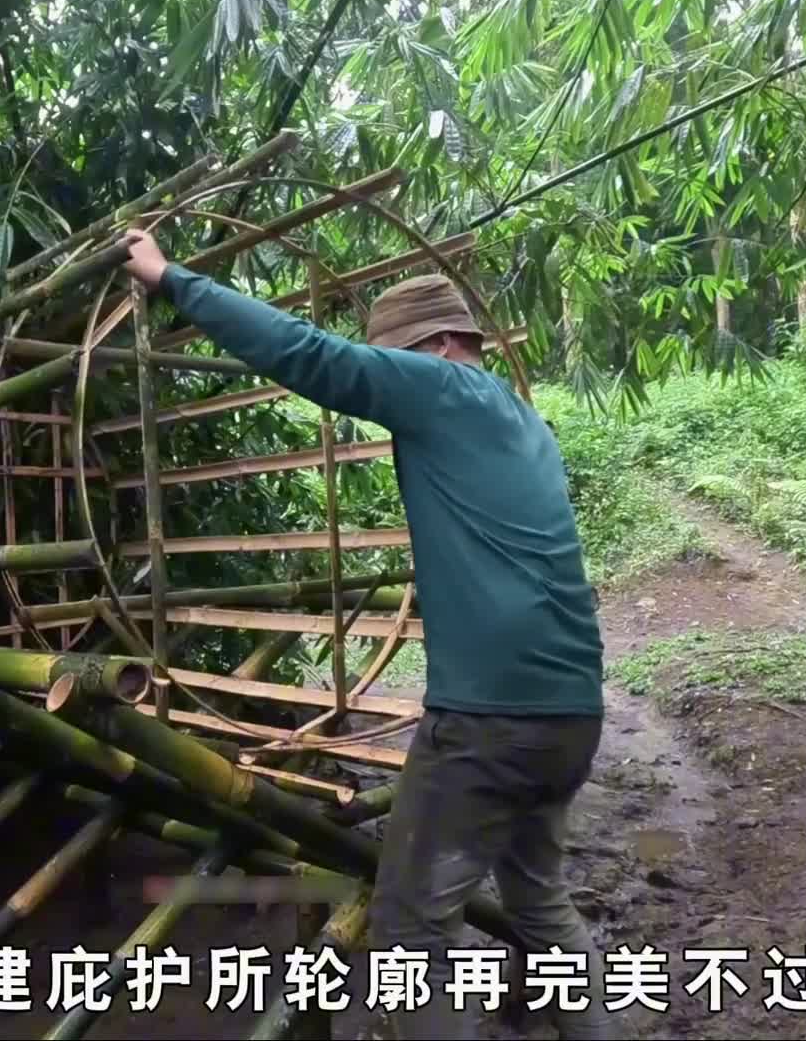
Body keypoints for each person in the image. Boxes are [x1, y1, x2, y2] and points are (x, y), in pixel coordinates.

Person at [120, 228, 614, 1040]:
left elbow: (308, 356)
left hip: (489, 720)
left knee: (413, 938)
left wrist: (173, 279)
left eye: (403, 359)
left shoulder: (442, 388)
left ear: (441, 347)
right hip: (569, 713)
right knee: (540, 899)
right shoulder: (526, 425)